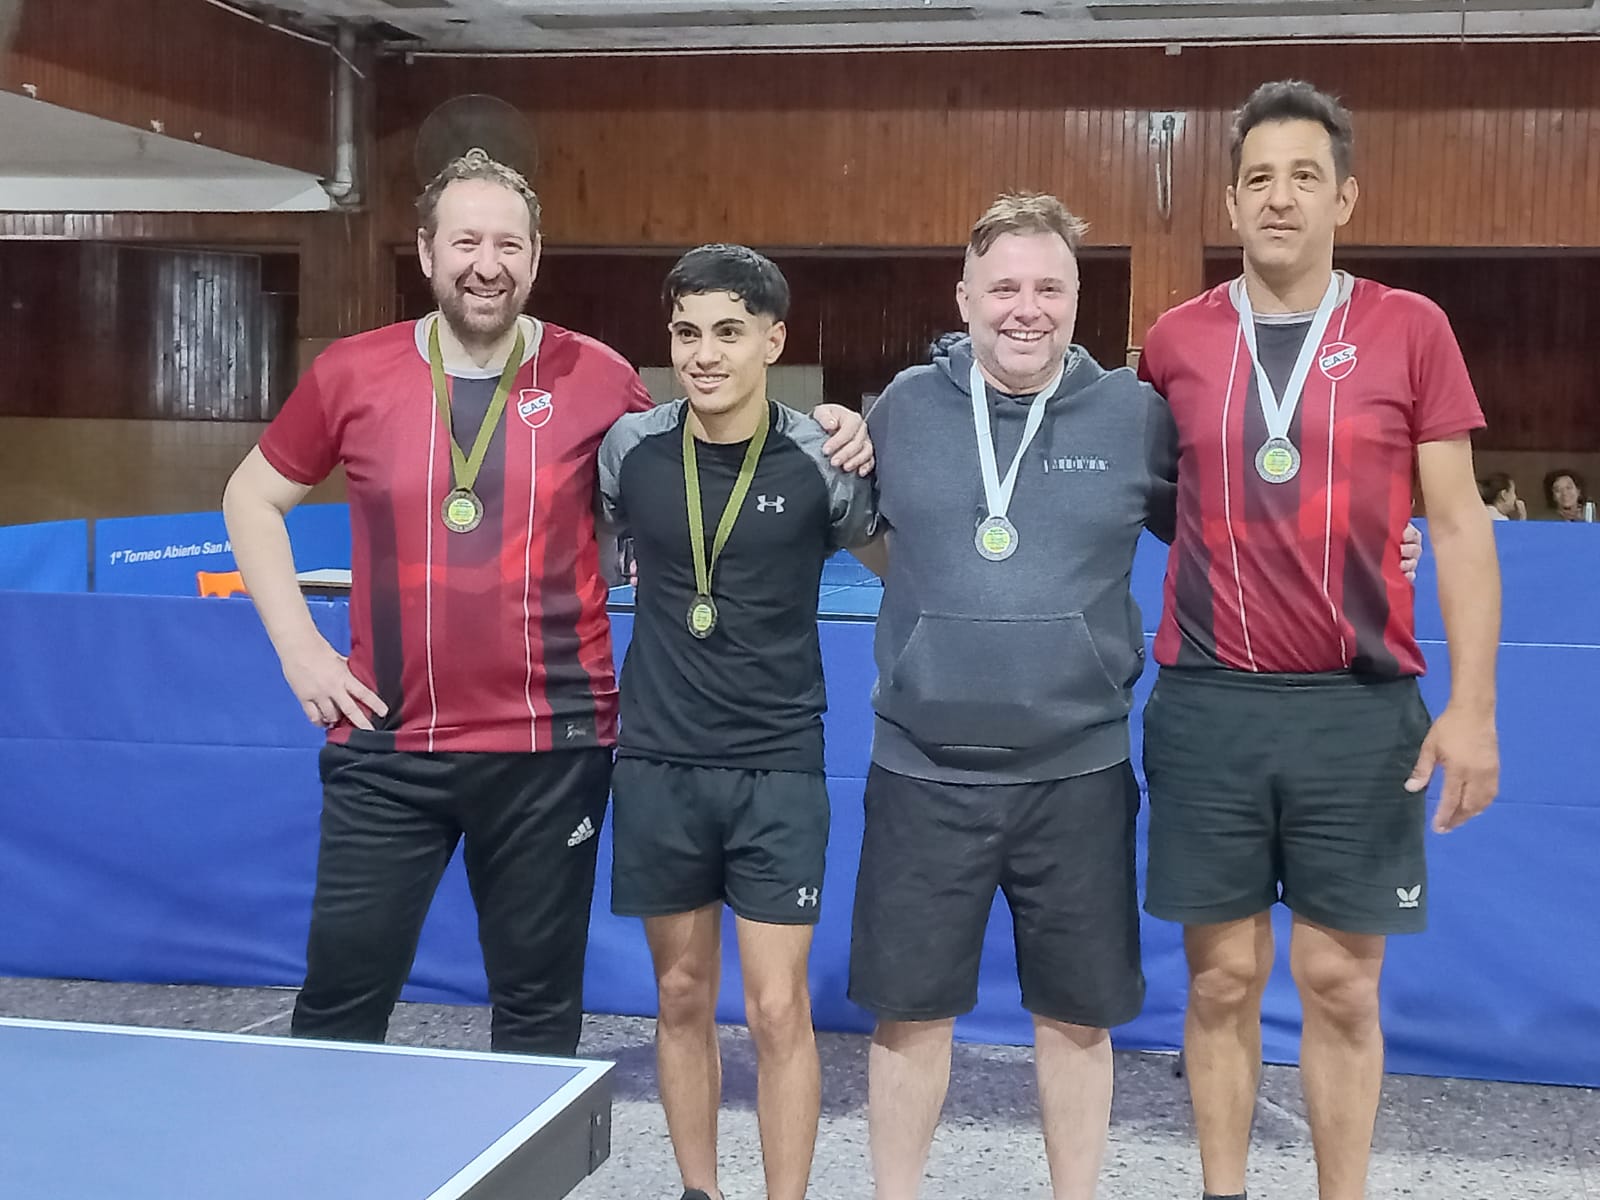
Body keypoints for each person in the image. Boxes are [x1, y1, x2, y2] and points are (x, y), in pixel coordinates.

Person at [221, 152, 872, 1056]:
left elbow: (706, 441)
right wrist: (300, 651)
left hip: (551, 751)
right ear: (426, 252)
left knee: (537, 1015)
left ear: (534, 257)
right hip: (386, 746)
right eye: (466, 243)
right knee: (338, 1006)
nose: (486, 265)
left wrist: (834, 426)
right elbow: (250, 498)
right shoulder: (351, 372)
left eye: (508, 245)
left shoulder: (601, 380)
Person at [1136, 81, 1502, 1200]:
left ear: (1344, 196)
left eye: (1304, 176)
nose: (1279, 198)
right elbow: (1156, 501)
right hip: (1211, 704)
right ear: (1230, 202)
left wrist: (1473, 710)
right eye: (1258, 178)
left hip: (1358, 707)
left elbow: (1455, 524)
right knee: (1220, 980)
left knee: (1341, 984)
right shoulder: (1176, 340)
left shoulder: (1410, 327)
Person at [848, 192, 1180, 1200]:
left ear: (1078, 299)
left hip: (1076, 773)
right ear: (964, 298)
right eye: (1003, 288)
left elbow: (1230, 526)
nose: (1024, 309)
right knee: (909, 1015)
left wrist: (1376, 542)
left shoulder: (1133, 417)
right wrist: (936, 619)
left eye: (1047, 287)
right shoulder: (903, 407)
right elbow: (859, 524)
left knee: (1076, 1018)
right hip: (922, 771)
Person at [598, 243, 875, 1200]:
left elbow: (903, 564)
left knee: (776, 1006)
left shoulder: (823, 457)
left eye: (728, 332)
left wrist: (863, 428)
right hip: (660, 760)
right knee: (680, 995)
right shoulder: (630, 450)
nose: (704, 354)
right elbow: (589, 546)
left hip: (778, 764)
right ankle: (699, 1190)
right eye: (687, 333)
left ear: (773, 340)